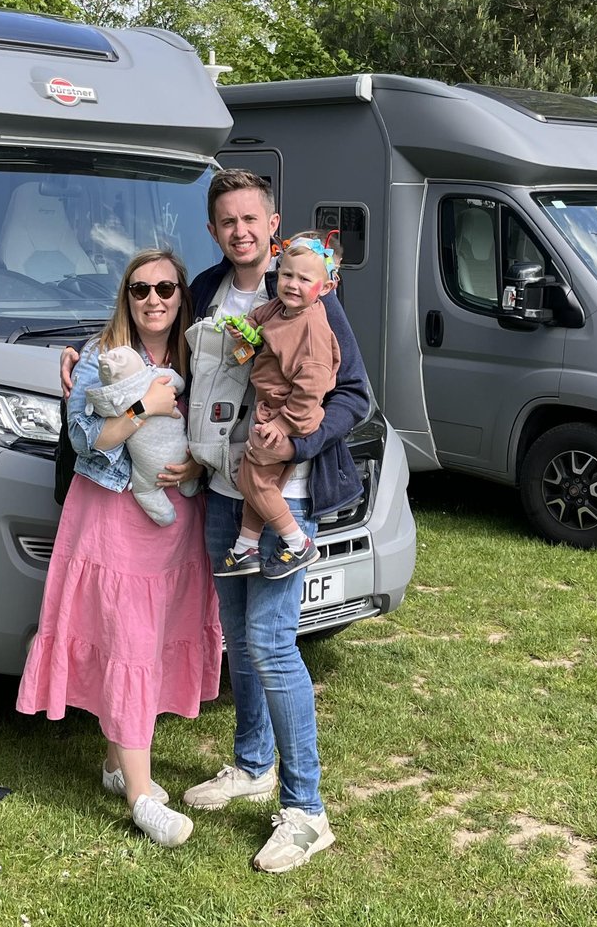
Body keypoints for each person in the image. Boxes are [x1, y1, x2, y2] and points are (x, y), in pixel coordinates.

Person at [186, 170, 368, 873]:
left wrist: (299, 441)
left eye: (251, 219)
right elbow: (169, 356)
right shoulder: (205, 291)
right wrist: (85, 361)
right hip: (222, 491)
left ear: (273, 222)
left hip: (282, 489)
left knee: (269, 640)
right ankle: (251, 763)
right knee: (237, 635)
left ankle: (306, 810)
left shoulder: (304, 289)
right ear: (215, 230)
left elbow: (354, 394)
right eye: (227, 221)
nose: (240, 231)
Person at [18, 250, 217, 848]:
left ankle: (113, 764)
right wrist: (144, 408)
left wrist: (197, 467)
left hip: (175, 523)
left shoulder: (196, 354)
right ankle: (139, 795)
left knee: (146, 639)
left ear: (182, 294)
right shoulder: (97, 358)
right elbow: (87, 440)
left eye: (164, 288)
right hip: (111, 520)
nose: (153, 300)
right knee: (127, 640)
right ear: (125, 297)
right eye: (140, 290)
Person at [221, 232, 343, 579]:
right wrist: (245, 330)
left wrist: (284, 425)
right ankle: (246, 547)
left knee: (253, 480)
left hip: (291, 416)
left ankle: (298, 543)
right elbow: (260, 320)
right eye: (287, 274)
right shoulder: (281, 307)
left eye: (305, 279)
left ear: (324, 288)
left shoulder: (312, 330)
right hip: (270, 408)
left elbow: (310, 389)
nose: (293, 284)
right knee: (260, 480)